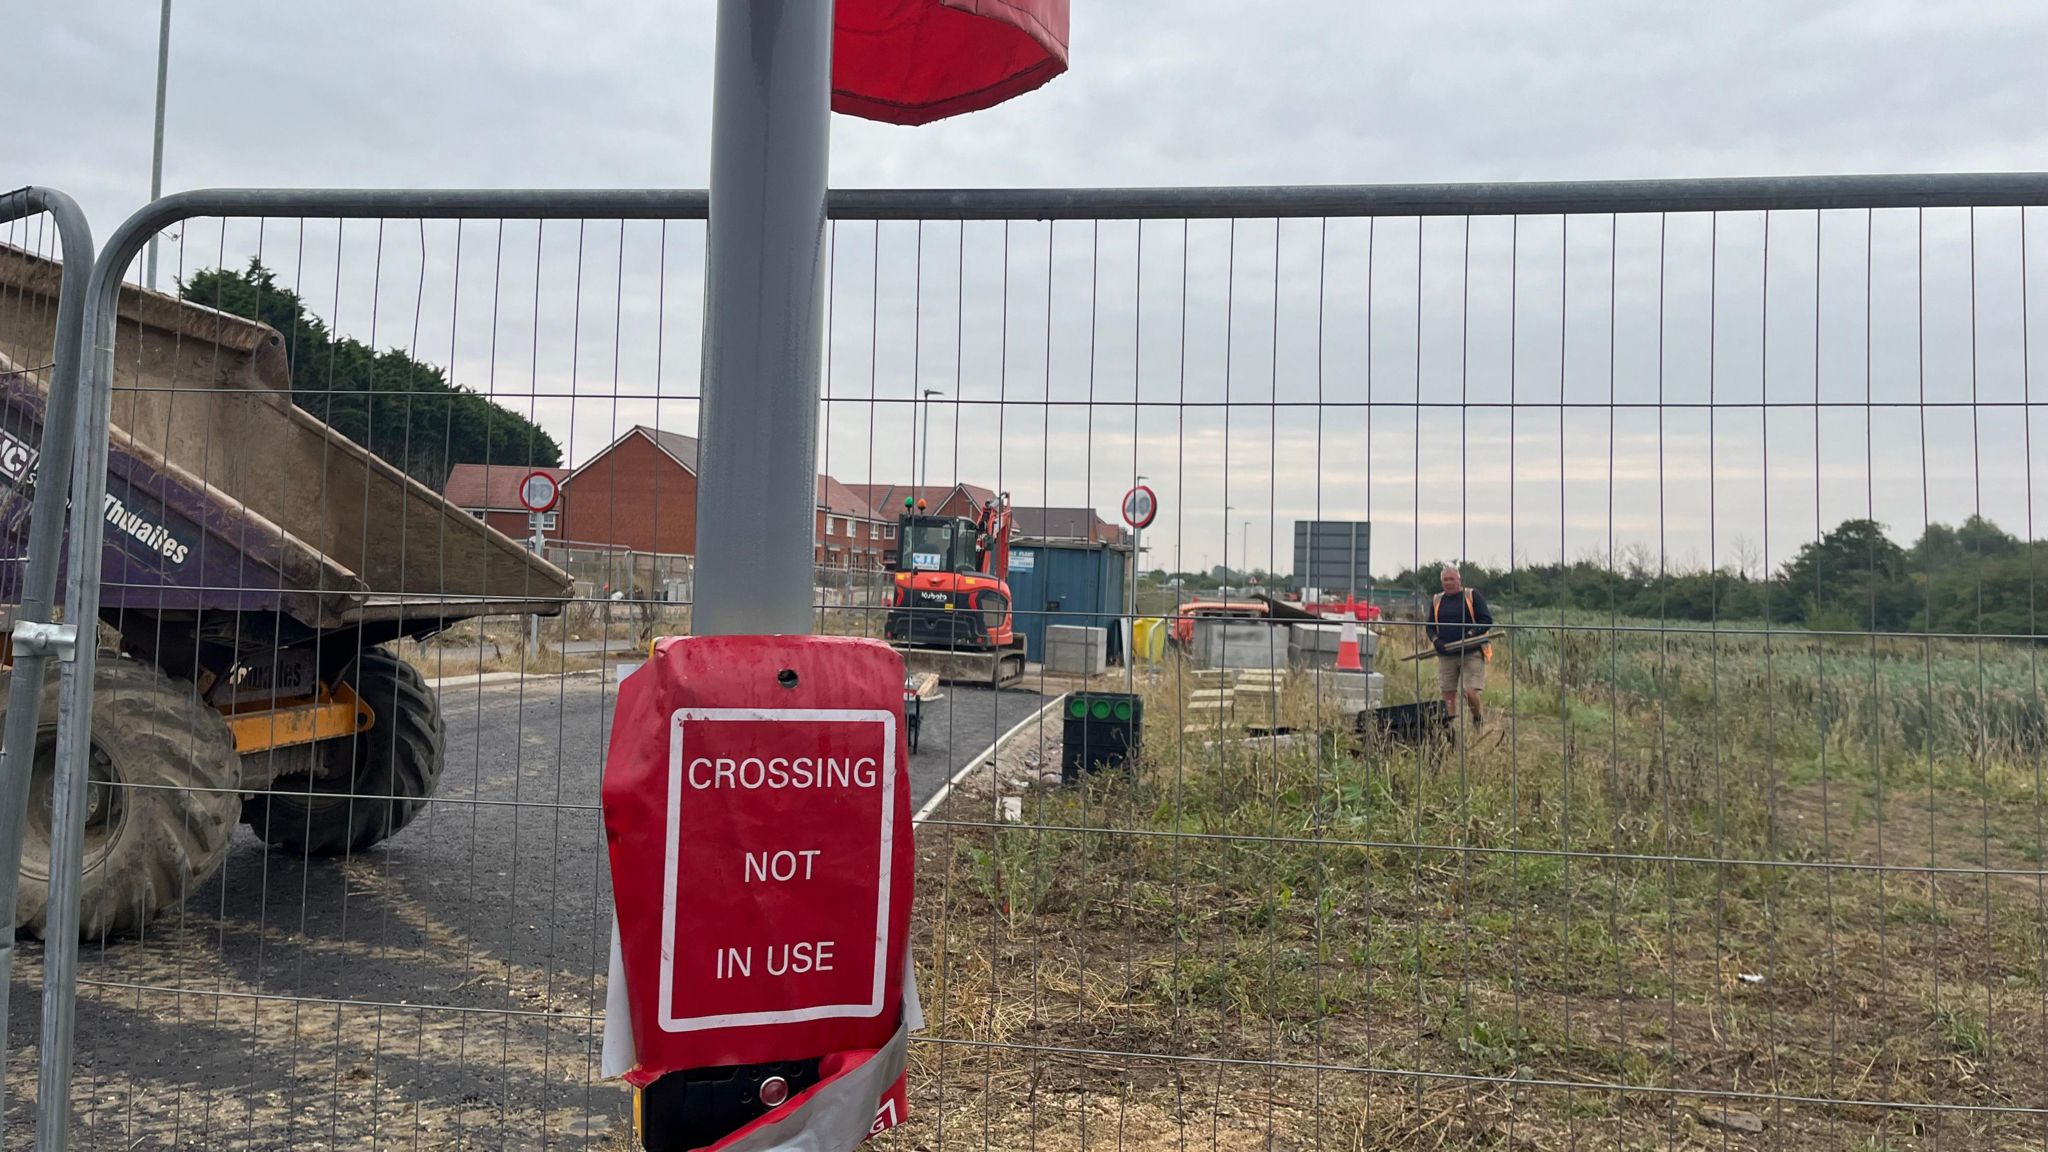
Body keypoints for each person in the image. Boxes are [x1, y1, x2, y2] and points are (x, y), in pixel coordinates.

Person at [1425, 566, 1493, 728]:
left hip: (1471, 651)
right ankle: (1450, 729)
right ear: (1442, 582)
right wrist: (1436, 641)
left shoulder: (1472, 595)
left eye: (1452, 579)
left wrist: (1470, 633)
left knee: (1470, 692)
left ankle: (1477, 719)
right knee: (1448, 695)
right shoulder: (1437, 600)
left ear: (1459, 580)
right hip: (1446, 653)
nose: (1449, 582)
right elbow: (1429, 626)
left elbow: (1486, 620)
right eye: (1445, 580)